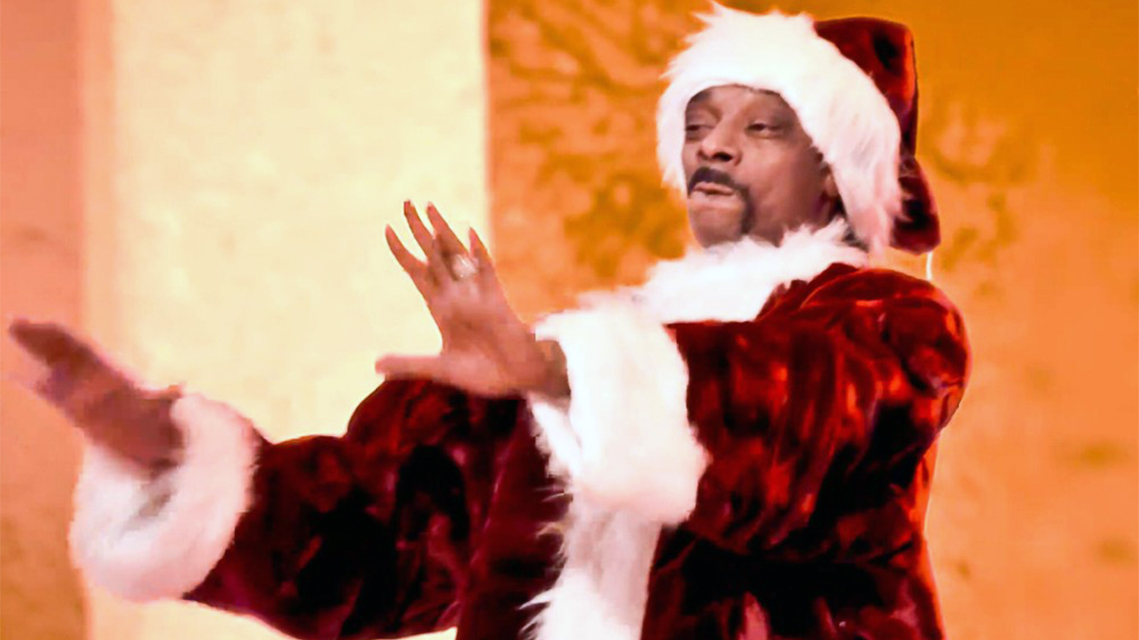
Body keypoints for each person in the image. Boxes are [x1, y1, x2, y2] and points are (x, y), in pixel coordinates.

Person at [10, 5, 969, 640]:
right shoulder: (588, 358)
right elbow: (371, 552)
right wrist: (159, 451)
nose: (712, 145)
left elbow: (803, 426)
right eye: (699, 121)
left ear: (840, 172)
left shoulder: (891, 330)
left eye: (760, 126)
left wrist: (555, 373)